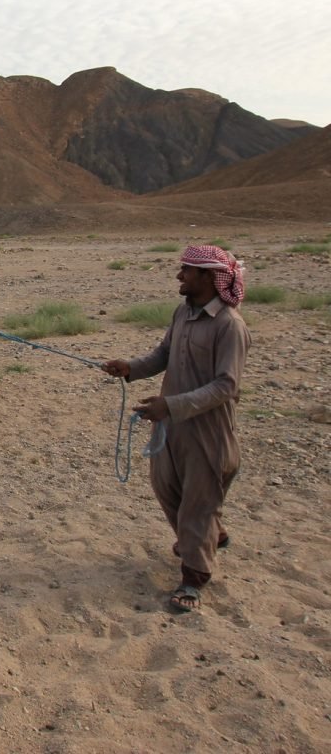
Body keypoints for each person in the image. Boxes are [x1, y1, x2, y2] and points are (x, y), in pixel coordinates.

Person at [102, 244, 250, 614]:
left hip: (208, 430)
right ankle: (210, 535)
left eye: (186, 270)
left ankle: (193, 579)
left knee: (198, 504)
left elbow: (226, 386)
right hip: (172, 425)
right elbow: (163, 355)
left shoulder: (229, 326)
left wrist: (172, 405)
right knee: (166, 486)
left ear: (208, 277)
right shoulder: (182, 314)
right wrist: (130, 367)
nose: (179, 275)